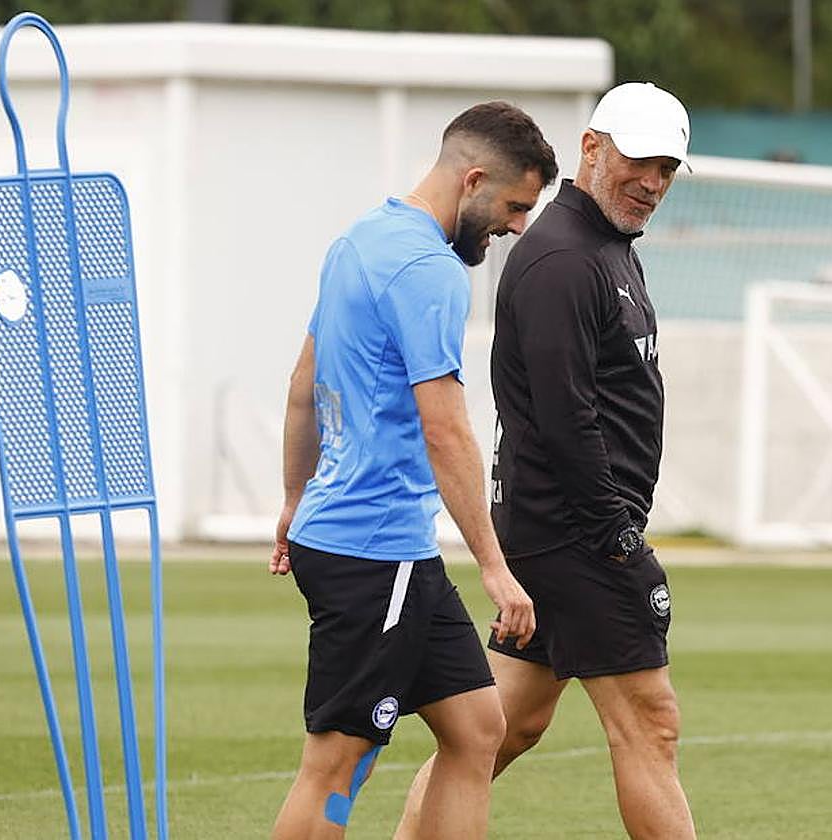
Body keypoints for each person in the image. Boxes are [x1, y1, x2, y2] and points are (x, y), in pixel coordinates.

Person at [396, 82, 697, 840]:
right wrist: (619, 540)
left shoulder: (604, 249)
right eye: (641, 161)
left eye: (667, 168)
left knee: (499, 727)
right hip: (579, 536)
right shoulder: (564, 257)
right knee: (650, 723)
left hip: (559, 532)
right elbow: (568, 422)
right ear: (592, 149)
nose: (653, 183)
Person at [269, 100, 558, 840]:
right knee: (336, 766)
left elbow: (304, 383)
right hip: (374, 551)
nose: (517, 226)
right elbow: (447, 428)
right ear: (474, 180)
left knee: (476, 727)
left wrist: (293, 500)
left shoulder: (359, 239)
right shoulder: (429, 270)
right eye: (514, 206)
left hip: (380, 547)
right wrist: (495, 567)